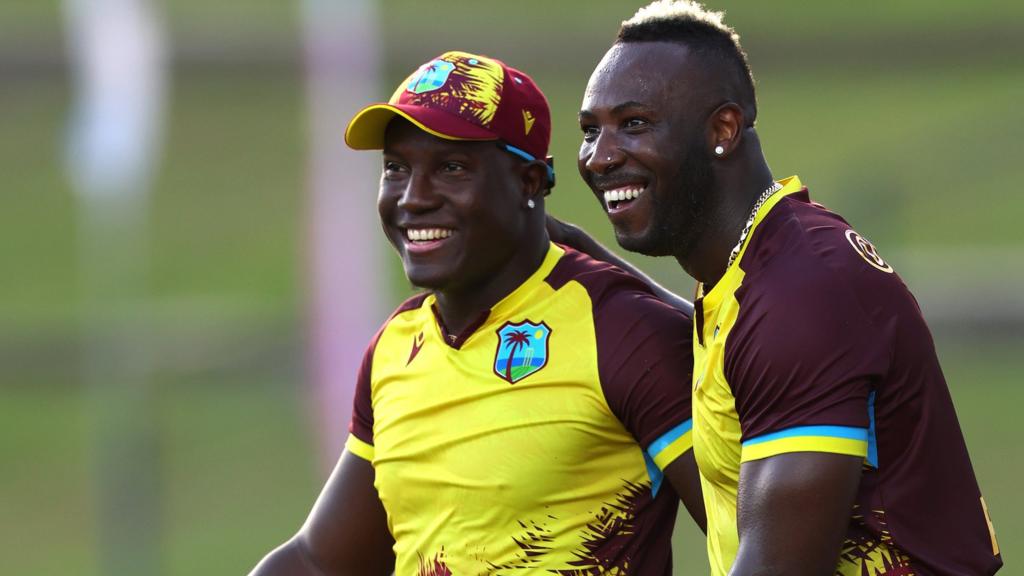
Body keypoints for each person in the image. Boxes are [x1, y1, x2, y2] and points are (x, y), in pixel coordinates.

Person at [557, 1, 1003, 574]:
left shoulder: (804, 293)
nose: (601, 156)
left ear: (722, 130)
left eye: (634, 124)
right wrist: (587, 265)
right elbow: (744, 360)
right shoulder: (756, 270)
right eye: (590, 130)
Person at [249, 50, 704, 576]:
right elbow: (318, 562)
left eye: (451, 167)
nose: (413, 198)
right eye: (396, 168)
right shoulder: (397, 346)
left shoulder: (624, 331)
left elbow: (755, 538)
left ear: (529, 182)